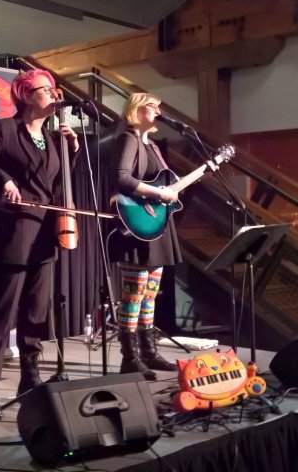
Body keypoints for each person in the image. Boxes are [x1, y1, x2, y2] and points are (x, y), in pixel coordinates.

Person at [0, 69, 78, 421]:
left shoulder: (54, 139)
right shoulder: (5, 130)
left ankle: (30, 379)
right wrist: (3, 179)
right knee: (1, 313)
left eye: (54, 89)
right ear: (25, 95)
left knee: (36, 313)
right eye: (45, 89)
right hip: (11, 234)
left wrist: (72, 151)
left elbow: (56, 184)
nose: (53, 94)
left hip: (44, 235)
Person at [109, 93, 182, 380]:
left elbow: (161, 180)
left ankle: (149, 352)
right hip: (137, 226)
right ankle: (130, 357)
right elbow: (122, 179)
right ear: (137, 110)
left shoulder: (151, 144)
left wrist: (172, 189)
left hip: (155, 225)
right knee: (134, 294)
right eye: (152, 106)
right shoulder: (128, 139)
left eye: (159, 107)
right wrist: (158, 193)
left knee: (150, 294)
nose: (157, 111)